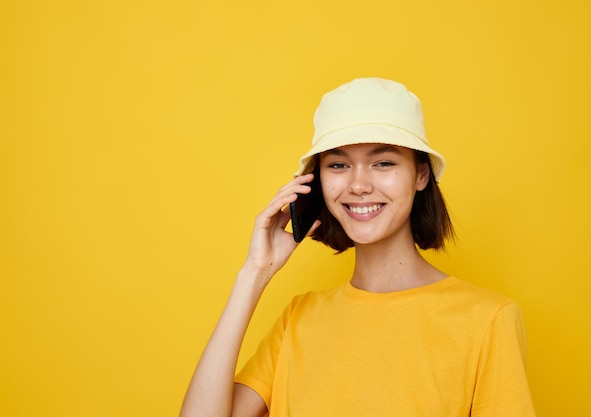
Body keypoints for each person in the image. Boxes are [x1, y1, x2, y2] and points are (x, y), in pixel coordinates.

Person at [180, 78, 536, 417]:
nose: (359, 185)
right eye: (338, 165)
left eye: (383, 162)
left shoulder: (488, 320)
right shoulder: (297, 319)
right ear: (316, 182)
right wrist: (254, 274)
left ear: (421, 175)